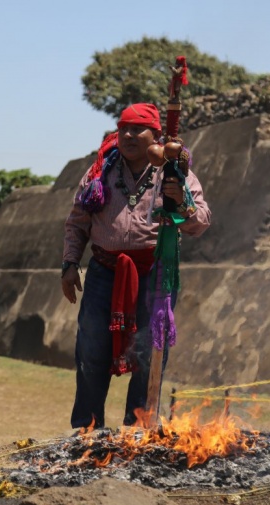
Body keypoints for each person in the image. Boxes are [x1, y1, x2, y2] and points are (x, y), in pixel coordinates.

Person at [62, 103, 211, 430]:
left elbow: (200, 220)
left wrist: (181, 201)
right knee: (91, 351)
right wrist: (70, 263)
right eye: (123, 128)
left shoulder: (174, 173)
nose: (127, 135)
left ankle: (138, 428)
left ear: (156, 136)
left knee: (149, 352)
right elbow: (77, 221)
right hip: (103, 272)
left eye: (137, 129)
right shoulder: (99, 171)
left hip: (155, 274)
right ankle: (86, 430)